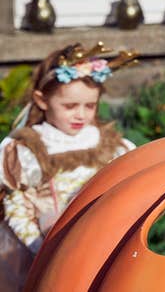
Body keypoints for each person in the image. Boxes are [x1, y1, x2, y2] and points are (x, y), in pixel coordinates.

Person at [0, 42, 138, 256]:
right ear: (42, 100)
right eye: (70, 106)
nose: (80, 115)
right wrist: (42, 253)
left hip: (101, 247)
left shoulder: (112, 147)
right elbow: (16, 207)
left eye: (90, 106)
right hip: (43, 251)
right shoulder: (26, 151)